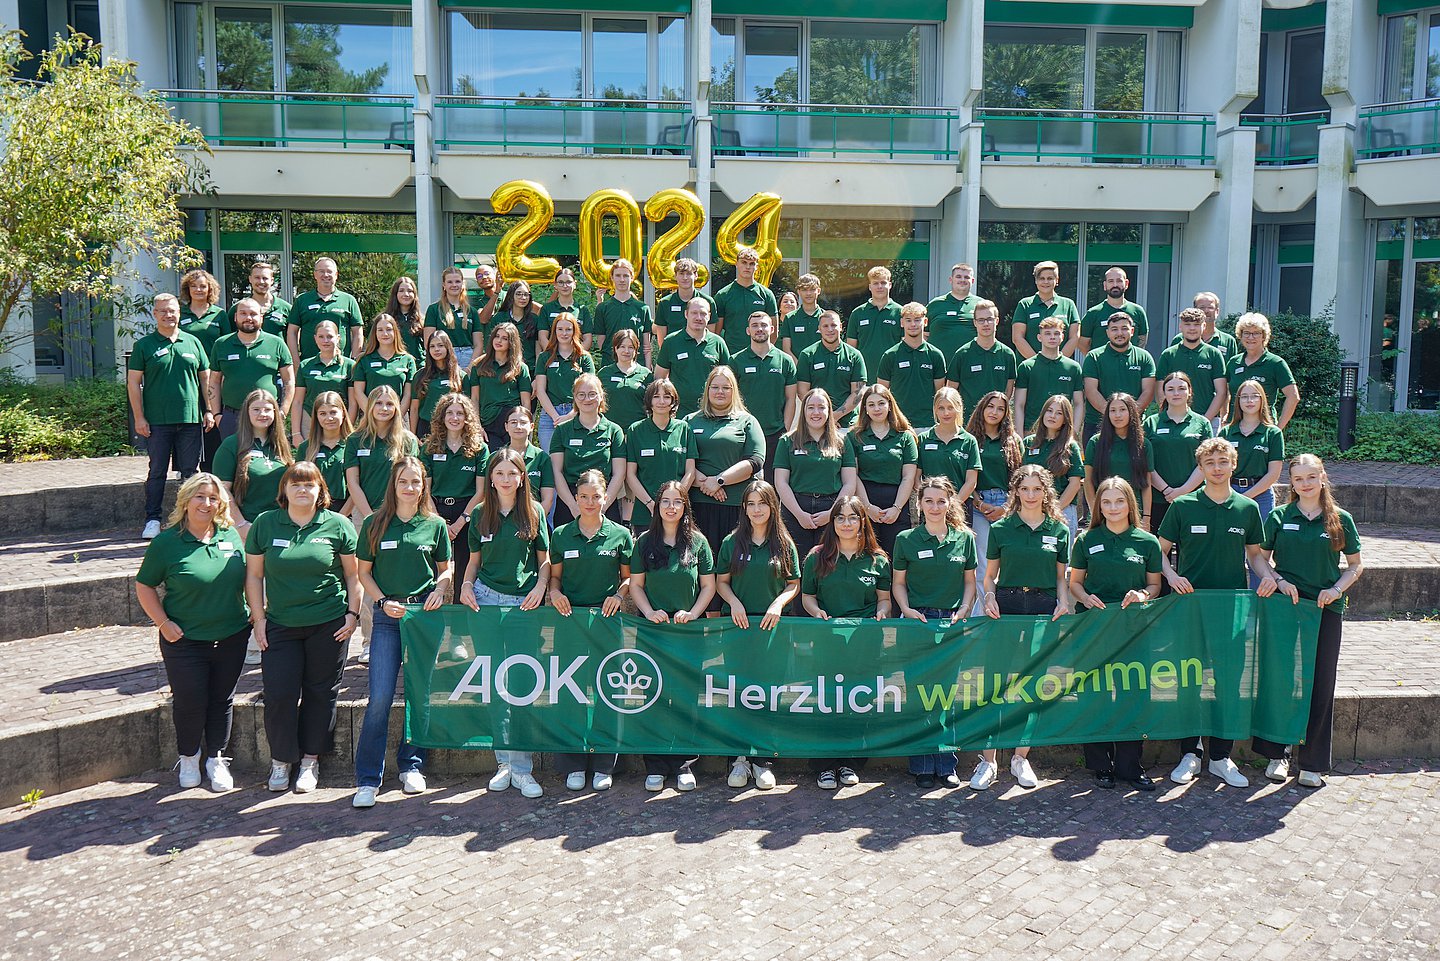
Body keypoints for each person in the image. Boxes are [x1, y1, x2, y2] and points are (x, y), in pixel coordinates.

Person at [1157, 437, 1276, 788]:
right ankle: (1190, 754)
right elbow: (1159, 551)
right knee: (1189, 679)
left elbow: (1255, 555)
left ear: (1233, 464)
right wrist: (1172, 575)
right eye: (1210, 463)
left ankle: (1221, 757)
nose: (1217, 468)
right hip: (1189, 607)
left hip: (1232, 607)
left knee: (1227, 680)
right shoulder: (1183, 506)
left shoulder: (1247, 508)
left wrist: (1268, 576)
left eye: (1223, 461)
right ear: (1201, 468)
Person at [245, 461, 360, 794]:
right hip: (280, 624)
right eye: (295, 484)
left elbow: (353, 577)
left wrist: (352, 615)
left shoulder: (337, 525)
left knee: (321, 693)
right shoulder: (266, 524)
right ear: (284, 489)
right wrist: (259, 618)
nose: (302, 490)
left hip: (329, 624)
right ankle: (282, 760)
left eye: (309, 484)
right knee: (279, 693)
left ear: (320, 490)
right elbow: (254, 576)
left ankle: (310, 760)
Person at [1253, 454, 1364, 789]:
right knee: (1282, 678)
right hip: (1285, 608)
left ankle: (1312, 762)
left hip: (1325, 610)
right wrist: (1276, 579)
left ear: (1322, 478)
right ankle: (1278, 754)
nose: (1305, 484)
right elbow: (1258, 557)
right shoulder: (1278, 516)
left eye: (1310, 477)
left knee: (1320, 683)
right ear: (1292, 482)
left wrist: (1336, 589)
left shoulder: (1339, 519)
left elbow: (1356, 565)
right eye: (1298, 479)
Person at [135, 473, 250, 792]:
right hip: (184, 640)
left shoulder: (231, 538)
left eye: (214, 498)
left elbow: (249, 578)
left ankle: (215, 758)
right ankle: (188, 756)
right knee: (189, 699)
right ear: (186, 501)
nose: (207, 503)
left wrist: (256, 611)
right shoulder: (167, 543)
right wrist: (162, 622)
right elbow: (144, 585)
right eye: (200, 496)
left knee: (222, 699)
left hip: (232, 634)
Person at [352, 456, 452, 808]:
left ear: (424, 485)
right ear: (393, 486)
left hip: (423, 618)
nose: (410, 488)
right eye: (403, 482)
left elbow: (446, 568)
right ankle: (368, 778)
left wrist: (441, 589)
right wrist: (380, 604)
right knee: (379, 698)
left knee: (419, 695)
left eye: (416, 482)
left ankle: (411, 765)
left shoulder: (435, 525)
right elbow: (364, 574)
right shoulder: (374, 524)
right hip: (387, 619)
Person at [458, 447, 551, 799]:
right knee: (496, 684)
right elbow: (474, 563)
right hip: (486, 603)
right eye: (500, 474)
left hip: (523, 605)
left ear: (522, 476)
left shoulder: (535, 512)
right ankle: (504, 764)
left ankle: (524, 769)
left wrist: (541, 588)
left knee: (522, 684)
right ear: (491, 479)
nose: (507, 479)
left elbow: (545, 561)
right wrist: (466, 586)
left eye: (513, 473)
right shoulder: (480, 513)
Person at [977, 464, 1071, 790]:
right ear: (1015, 492)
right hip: (1007, 607)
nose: (1031, 495)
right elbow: (989, 576)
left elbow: (1061, 578)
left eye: (1037, 489)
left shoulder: (1059, 530)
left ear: (1046, 493)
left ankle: (1020, 757)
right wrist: (988, 596)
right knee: (995, 683)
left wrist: (1064, 602)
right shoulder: (1002, 528)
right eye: (1024, 489)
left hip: (1044, 607)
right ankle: (988, 761)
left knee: (1033, 684)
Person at [1067, 476, 1162, 791]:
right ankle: (1100, 766)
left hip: (1133, 630)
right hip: (1093, 628)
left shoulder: (1146, 542)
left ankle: (1130, 766)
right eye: (1106, 502)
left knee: (1132, 695)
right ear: (1098, 506)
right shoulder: (1086, 540)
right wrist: (1083, 598)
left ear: (1130, 504)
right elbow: (1075, 583)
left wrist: (1142, 595)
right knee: (1095, 695)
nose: (1113, 507)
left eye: (1119, 501)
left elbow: (1154, 585)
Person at [548, 469, 635, 791]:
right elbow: (554, 578)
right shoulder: (561, 535)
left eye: (595, 496)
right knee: (570, 692)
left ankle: (603, 764)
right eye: (583, 496)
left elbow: (629, 578)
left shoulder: (620, 535)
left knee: (606, 692)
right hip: (569, 622)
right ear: (575, 497)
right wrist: (554, 593)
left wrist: (617, 595)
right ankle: (573, 763)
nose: (589, 502)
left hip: (606, 622)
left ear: (606, 498)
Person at [892, 475, 978, 788]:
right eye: (928, 500)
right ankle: (922, 767)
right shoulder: (905, 539)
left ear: (951, 502)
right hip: (916, 622)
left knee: (945, 696)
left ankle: (946, 764)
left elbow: (970, 583)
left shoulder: (964, 538)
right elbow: (898, 584)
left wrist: (965, 609)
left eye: (941, 500)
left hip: (952, 624)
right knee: (918, 695)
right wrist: (907, 609)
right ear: (920, 504)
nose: (935, 506)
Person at [801, 495, 892, 789]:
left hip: (865, 641)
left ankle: (851, 763)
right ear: (833, 521)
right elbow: (808, 597)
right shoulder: (817, 557)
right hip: (827, 639)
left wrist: (881, 613)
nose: (847, 523)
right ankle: (824, 765)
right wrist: (816, 612)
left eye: (853, 517)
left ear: (863, 521)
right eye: (840, 517)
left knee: (859, 700)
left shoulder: (878, 559)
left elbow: (884, 600)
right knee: (827, 701)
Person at [631, 482, 716, 792]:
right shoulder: (643, 542)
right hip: (653, 632)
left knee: (685, 698)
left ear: (685, 507)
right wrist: (649, 611)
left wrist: (693, 613)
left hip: (689, 632)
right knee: (652, 697)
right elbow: (636, 585)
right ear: (657, 506)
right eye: (665, 501)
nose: (670, 507)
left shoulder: (700, 543)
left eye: (677, 502)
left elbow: (708, 586)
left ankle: (683, 764)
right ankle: (654, 765)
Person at [716, 480, 800, 792]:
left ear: (772, 506)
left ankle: (763, 760)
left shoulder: (784, 543)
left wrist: (778, 604)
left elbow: (793, 584)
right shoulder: (731, 542)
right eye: (750, 504)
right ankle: (739, 759)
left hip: (771, 631)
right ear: (744, 508)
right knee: (737, 692)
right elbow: (721, 582)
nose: (756, 510)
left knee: (768, 693)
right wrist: (734, 602)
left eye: (761, 503)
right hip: (737, 630)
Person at [128, 293, 211, 540]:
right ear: (155, 314)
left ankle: (188, 519)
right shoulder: (144, 345)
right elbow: (133, 383)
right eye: (163, 311)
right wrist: (139, 418)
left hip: (190, 420)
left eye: (172, 310)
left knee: (190, 472)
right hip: (157, 421)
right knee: (157, 471)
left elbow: (205, 378)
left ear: (179, 313)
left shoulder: (193, 343)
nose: (168, 315)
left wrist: (208, 410)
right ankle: (152, 519)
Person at [685, 366, 766, 549]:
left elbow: (755, 461)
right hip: (698, 504)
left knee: (733, 563)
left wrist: (720, 480)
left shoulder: (747, 421)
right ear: (707, 390)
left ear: (734, 391)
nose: (720, 392)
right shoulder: (690, 420)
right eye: (715, 387)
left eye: (726, 388)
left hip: (736, 505)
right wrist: (708, 484)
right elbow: (680, 458)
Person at [774, 388, 858, 562]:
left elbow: (849, 483)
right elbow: (781, 482)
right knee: (794, 563)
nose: (816, 412)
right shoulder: (787, 441)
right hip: (796, 507)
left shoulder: (842, 441)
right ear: (803, 411)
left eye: (821, 407)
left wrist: (832, 513)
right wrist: (799, 514)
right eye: (811, 407)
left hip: (832, 507)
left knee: (828, 563)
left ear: (829, 411)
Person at [422, 392, 486, 586]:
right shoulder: (429, 447)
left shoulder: (479, 448)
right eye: (450, 413)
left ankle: (462, 611)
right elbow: (424, 489)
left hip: (467, 513)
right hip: (434, 511)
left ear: (467, 418)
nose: (455, 418)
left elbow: (481, 491)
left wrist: (460, 522)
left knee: (465, 571)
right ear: (442, 417)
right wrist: (439, 520)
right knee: (432, 571)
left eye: (460, 413)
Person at [848, 383, 919, 555]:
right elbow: (852, 475)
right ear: (864, 408)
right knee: (867, 555)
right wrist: (866, 506)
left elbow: (908, 477)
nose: (876, 408)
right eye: (871, 405)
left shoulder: (905, 436)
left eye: (881, 403)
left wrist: (896, 508)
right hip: (865, 501)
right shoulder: (854, 436)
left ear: (889, 405)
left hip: (896, 502)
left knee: (895, 556)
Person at [208, 297, 294, 439]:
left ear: (261, 317)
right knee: (234, 459)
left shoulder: (276, 344)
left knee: (267, 458)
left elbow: (289, 381)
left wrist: (283, 412)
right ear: (235, 317)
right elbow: (214, 381)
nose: (248, 318)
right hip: (232, 416)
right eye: (243, 313)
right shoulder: (221, 344)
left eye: (253, 314)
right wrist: (217, 415)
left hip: (266, 416)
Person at [214, 388, 294, 535]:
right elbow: (222, 491)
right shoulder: (231, 445)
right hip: (246, 526)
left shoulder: (282, 447)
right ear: (247, 412)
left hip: (280, 525)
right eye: (256, 409)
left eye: (267, 410)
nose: (262, 414)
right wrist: (241, 525)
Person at [549, 373, 626, 527]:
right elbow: (556, 471)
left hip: (604, 500)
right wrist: (573, 506)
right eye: (581, 395)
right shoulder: (562, 431)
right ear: (575, 398)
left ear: (601, 397)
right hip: (570, 501)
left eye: (592, 394)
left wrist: (603, 504)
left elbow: (619, 473)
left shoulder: (614, 430)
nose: (587, 399)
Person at [732, 310, 798, 476]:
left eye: (763, 325)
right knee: (745, 484)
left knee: (772, 487)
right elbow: (731, 398)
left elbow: (791, 398)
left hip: (775, 433)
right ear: (748, 330)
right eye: (755, 325)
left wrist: (786, 431)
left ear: (772, 329)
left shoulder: (785, 361)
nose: (759, 329)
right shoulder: (736, 360)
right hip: (744, 433)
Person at [625, 378, 696, 530]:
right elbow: (630, 475)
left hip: (677, 511)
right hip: (645, 512)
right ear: (649, 401)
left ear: (673, 401)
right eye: (656, 396)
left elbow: (690, 471)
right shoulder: (635, 431)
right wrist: (651, 505)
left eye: (667, 397)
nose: (661, 401)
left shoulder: (684, 429)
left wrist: (676, 502)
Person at [1146, 372, 1212, 536]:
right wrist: (1167, 490)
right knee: (1160, 551)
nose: (1176, 393)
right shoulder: (1151, 423)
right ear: (1164, 393)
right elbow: (1145, 464)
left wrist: (1183, 491)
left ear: (1190, 391)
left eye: (1181, 388)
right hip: (1158, 499)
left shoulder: (1202, 423)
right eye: (1171, 389)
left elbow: (1206, 463)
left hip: (1193, 498)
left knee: (1190, 551)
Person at [345, 385, 422, 526]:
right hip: (364, 514)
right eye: (379, 403)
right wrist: (370, 517)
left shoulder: (408, 440)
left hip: (400, 515)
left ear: (396, 408)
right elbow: (353, 483)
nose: (384, 408)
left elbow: (412, 482)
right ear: (370, 406)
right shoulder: (355, 440)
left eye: (389, 404)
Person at [966, 390, 1023, 565]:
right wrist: (979, 503)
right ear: (982, 408)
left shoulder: (1013, 440)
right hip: (978, 504)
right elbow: (967, 478)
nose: (994, 412)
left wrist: (1006, 506)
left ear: (1006, 413)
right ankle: (984, 594)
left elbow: (1020, 479)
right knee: (981, 559)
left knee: (1009, 557)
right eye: (990, 407)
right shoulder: (970, 439)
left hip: (1007, 503)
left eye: (1000, 409)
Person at [1081, 311, 1156, 438]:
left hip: (1134, 424)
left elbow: (1148, 392)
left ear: (1132, 331)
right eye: (1114, 329)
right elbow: (1091, 391)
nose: (1119, 333)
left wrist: (1128, 415)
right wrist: (1113, 414)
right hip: (1097, 424)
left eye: (1124, 329)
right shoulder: (1094, 357)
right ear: (1107, 333)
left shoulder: (1144, 357)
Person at [654, 296, 731, 416]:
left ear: (709, 317)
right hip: (679, 413)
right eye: (694, 313)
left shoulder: (718, 343)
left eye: (703, 314)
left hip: (711, 412)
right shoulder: (671, 342)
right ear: (686, 314)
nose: (698, 318)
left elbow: (729, 379)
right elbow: (659, 377)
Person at [1220, 379, 1285, 520]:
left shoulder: (1273, 433)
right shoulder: (1226, 433)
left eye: (1255, 396)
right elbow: (1218, 467)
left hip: (1261, 495)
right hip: (1229, 493)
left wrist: (1245, 496)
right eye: (1244, 397)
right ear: (1238, 401)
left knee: (1260, 541)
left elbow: (1273, 473)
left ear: (1262, 400)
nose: (1249, 400)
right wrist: (1231, 495)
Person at [534, 311, 597, 454]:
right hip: (550, 416)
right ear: (554, 331)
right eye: (560, 329)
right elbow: (540, 390)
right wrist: (556, 416)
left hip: (577, 413)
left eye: (568, 329)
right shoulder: (545, 357)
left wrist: (570, 415)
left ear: (575, 331)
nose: (564, 333)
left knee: (575, 458)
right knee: (550, 460)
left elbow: (591, 392)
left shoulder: (584, 358)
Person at [878, 301, 948, 429]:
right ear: (902, 323)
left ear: (925, 322)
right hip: (898, 424)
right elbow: (881, 394)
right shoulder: (890, 355)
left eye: (917, 320)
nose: (913, 324)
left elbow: (940, 394)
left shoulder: (935, 355)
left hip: (928, 425)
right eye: (908, 320)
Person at [1023, 394, 1085, 536]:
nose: (1053, 416)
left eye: (1059, 413)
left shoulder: (1071, 447)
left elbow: (1075, 484)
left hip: (1062, 510)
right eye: (1049, 411)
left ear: (1065, 419)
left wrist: (1054, 508)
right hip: (1031, 509)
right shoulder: (1029, 443)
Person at [1084, 393, 1152, 523]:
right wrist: (1095, 513)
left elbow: (1147, 483)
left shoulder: (1144, 444)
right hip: (1103, 512)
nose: (1117, 415)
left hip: (1134, 515)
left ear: (1131, 412)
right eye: (1113, 410)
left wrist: (1147, 518)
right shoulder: (1095, 442)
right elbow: (1088, 481)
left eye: (1122, 410)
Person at [1157, 307, 1228, 429]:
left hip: (1208, 419)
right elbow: (1160, 391)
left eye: (1196, 324)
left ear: (1204, 326)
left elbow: (1221, 392)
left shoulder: (1214, 354)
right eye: (1187, 324)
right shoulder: (1168, 354)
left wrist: (1204, 420)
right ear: (1180, 327)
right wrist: (1169, 415)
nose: (1192, 328)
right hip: (1174, 420)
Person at [466, 321, 532, 450]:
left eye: (504, 338)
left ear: (511, 342)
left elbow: (525, 401)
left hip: (512, 422)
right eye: (497, 336)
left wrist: (525, 427)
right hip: (488, 422)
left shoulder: (520, 367)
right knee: (493, 462)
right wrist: (477, 426)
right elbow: (474, 399)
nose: (499, 340)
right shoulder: (478, 365)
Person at [946, 298, 1016, 418]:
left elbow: (1009, 391)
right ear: (975, 323)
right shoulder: (962, 354)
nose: (986, 324)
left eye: (990, 319)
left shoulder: (1007, 354)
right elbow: (951, 392)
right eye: (981, 320)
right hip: (968, 423)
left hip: (997, 423)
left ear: (997, 321)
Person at [1227, 313, 1300, 429]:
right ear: (1240, 335)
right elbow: (1226, 394)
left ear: (1264, 336)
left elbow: (1293, 396)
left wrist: (1278, 428)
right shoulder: (1233, 362)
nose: (1251, 337)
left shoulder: (1275, 363)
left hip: (1263, 428)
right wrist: (1224, 419)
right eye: (1246, 333)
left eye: (1256, 333)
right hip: (1235, 427)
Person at [796, 309, 866, 427]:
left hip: (847, 424)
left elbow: (858, 392)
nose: (830, 329)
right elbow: (803, 392)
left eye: (834, 325)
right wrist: (823, 417)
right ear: (819, 328)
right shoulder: (807, 355)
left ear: (841, 327)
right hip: (816, 422)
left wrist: (835, 416)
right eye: (825, 326)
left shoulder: (854, 355)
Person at [288, 257, 364, 362]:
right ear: (315, 275)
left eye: (329, 271)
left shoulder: (348, 300)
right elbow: (292, 332)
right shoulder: (302, 300)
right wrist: (296, 362)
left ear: (336, 275)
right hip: (308, 366)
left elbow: (357, 332)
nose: (326, 275)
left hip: (341, 367)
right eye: (321, 271)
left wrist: (354, 361)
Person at [1014, 316, 1084, 430]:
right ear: (1039, 337)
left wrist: (1073, 432)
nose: (1052, 337)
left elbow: (1079, 403)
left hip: (1062, 432)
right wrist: (1020, 434)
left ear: (1062, 337)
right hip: (1031, 431)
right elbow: (1019, 405)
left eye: (1056, 333)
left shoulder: (1073, 368)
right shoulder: (1027, 367)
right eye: (1047, 333)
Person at [291, 321, 355, 445]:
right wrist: (296, 433)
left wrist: (348, 428)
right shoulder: (305, 365)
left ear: (338, 338)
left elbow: (353, 403)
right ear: (315, 339)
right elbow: (298, 401)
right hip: (309, 420)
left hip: (338, 420)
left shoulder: (349, 366)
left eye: (330, 336)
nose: (325, 340)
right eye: (321, 336)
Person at [914, 387, 980, 506]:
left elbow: (971, 481)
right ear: (935, 410)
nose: (946, 413)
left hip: (961, 506)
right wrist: (929, 502)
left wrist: (952, 504)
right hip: (930, 508)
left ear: (959, 408)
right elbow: (916, 478)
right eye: (941, 408)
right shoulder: (923, 439)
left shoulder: (969, 441)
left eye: (950, 407)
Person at [352, 314, 418, 426]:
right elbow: (358, 392)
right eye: (380, 330)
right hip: (369, 421)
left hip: (399, 421)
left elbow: (408, 394)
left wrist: (396, 417)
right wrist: (372, 415)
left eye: (389, 329)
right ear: (375, 333)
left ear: (395, 332)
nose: (385, 334)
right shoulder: (364, 359)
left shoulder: (408, 360)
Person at [296, 391, 353, 516]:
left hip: (348, 512)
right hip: (313, 512)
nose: (329, 418)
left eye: (333, 412)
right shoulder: (306, 447)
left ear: (343, 413)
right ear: (316, 416)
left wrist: (341, 517)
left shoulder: (354, 444)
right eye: (323, 413)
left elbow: (360, 485)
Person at [715, 246, 777, 357]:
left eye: (752, 263)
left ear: (757, 267)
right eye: (744, 262)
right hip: (731, 354)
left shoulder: (766, 294)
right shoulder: (723, 295)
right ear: (736, 264)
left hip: (760, 356)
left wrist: (764, 352)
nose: (747, 267)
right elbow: (716, 333)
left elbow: (774, 331)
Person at [1011, 260, 1080, 360]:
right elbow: (1017, 338)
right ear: (1036, 280)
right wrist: (1038, 363)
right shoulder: (1024, 304)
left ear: (1057, 280)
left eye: (1050, 278)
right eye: (1041, 278)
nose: (1046, 282)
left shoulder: (1068, 305)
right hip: (1030, 368)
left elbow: (1074, 337)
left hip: (1060, 370)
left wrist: (1058, 362)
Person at [846, 265, 902, 382]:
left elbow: (905, 346)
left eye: (883, 282)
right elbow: (851, 349)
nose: (880, 286)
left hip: (893, 377)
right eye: (876, 283)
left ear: (890, 285)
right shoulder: (857, 313)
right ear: (870, 287)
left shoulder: (901, 313)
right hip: (863, 377)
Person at [1078, 266, 1149, 355]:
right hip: (1101, 367)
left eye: (1119, 281)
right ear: (1105, 285)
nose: (1115, 285)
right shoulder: (1093, 313)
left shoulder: (1138, 311)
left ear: (1126, 284)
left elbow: (1142, 340)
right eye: (1111, 281)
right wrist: (1096, 360)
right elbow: (1083, 343)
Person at [595, 259, 653, 364]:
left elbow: (646, 345)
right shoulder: (603, 308)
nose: (622, 280)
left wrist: (648, 367)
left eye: (625, 276)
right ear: (612, 278)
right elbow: (601, 342)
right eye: (618, 276)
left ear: (632, 278)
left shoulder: (643, 308)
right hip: (610, 365)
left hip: (637, 366)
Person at [410, 330, 464, 439]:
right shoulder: (420, 376)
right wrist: (413, 435)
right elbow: (414, 408)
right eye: (432, 346)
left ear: (448, 347)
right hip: (425, 426)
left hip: (452, 426)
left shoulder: (460, 376)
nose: (436, 349)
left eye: (440, 345)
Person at [597, 329, 653, 433]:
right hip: (609, 432)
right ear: (615, 348)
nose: (626, 351)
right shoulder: (604, 373)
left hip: (638, 432)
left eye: (631, 347)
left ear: (636, 350)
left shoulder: (646, 375)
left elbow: (652, 406)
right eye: (622, 346)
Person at [503, 404, 555, 517]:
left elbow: (548, 499)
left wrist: (535, 523)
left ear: (531, 426)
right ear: (506, 427)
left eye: (523, 422)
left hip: (533, 519)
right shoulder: (496, 458)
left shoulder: (542, 458)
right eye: (513, 422)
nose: (518, 426)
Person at [653, 258, 714, 350]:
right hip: (674, 354)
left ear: (696, 275)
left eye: (689, 274)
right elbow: (662, 340)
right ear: (675, 276)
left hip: (700, 353)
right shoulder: (665, 303)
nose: (685, 278)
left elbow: (711, 334)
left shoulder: (708, 302)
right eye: (681, 274)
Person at [925, 262, 980, 363]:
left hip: (972, 365)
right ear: (951, 280)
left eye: (966, 277)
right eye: (958, 277)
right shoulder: (935, 304)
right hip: (937, 366)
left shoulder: (981, 305)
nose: (962, 280)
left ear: (972, 281)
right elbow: (924, 336)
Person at [425, 267, 480, 367]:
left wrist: (470, 367)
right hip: (444, 357)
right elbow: (429, 342)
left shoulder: (472, 311)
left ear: (462, 284)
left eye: (457, 281)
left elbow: (478, 345)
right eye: (450, 282)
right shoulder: (433, 309)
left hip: (468, 358)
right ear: (444, 285)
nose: (454, 285)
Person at [539, 266, 595, 355]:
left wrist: (575, 354)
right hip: (552, 357)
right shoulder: (546, 309)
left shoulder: (582, 310)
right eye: (561, 282)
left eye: (568, 282)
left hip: (576, 358)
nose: (565, 286)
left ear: (575, 284)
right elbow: (542, 337)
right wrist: (554, 354)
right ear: (555, 285)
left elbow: (588, 338)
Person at [227, 260, 290, 339]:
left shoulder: (286, 309)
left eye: (265, 278)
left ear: (272, 281)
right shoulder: (238, 308)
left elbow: (293, 339)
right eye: (257, 277)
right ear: (250, 279)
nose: (261, 281)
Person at [1171, 291, 1239, 361]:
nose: (1206, 311)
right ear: (1194, 310)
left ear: (1217, 311)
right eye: (1202, 307)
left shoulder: (1228, 341)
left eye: (1210, 307)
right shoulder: (1179, 339)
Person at [497, 278, 544, 374]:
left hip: (529, 369)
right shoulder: (500, 318)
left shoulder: (534, 319)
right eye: (518, 294)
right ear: (511, 296)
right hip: (504, 369)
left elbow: (538, 348)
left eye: (526, 294)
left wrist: (538, 373)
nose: (523, 298)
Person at [179, 268, 226, 358]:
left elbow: (227, 344)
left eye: (203, 286)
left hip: (212, 367)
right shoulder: (179, 313)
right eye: (193, 286)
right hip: (186, 366)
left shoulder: (219, 314)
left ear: (210, 289)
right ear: (187, 289)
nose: (198, 289)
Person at [781, 273, 824, 358]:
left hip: (822, 368)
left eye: (812, 289)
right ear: (799, 292)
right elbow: (786, 349)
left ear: (818, 291)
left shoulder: (826, 318)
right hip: (797, 368)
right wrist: (800, 367)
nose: (808, 293)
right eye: (804, 289)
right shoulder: (790, 318)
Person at [386, 275, 426, 360]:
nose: (406, 294)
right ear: (395, 294)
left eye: (410, 291)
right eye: (401, 291)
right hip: (394, 367)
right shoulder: (385, 320)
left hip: (419, 367)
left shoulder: (423, 320)